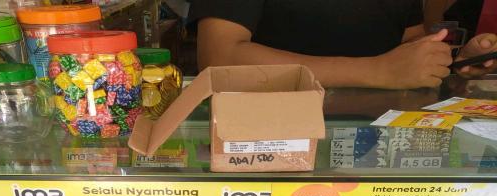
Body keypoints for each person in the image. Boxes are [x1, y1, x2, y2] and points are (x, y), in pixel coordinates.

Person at [190, 0, 497, 88]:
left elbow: (408, 41)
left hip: (377, 148)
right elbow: (219, 57)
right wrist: (377, 71)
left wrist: (451, 59)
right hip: (269, 134)